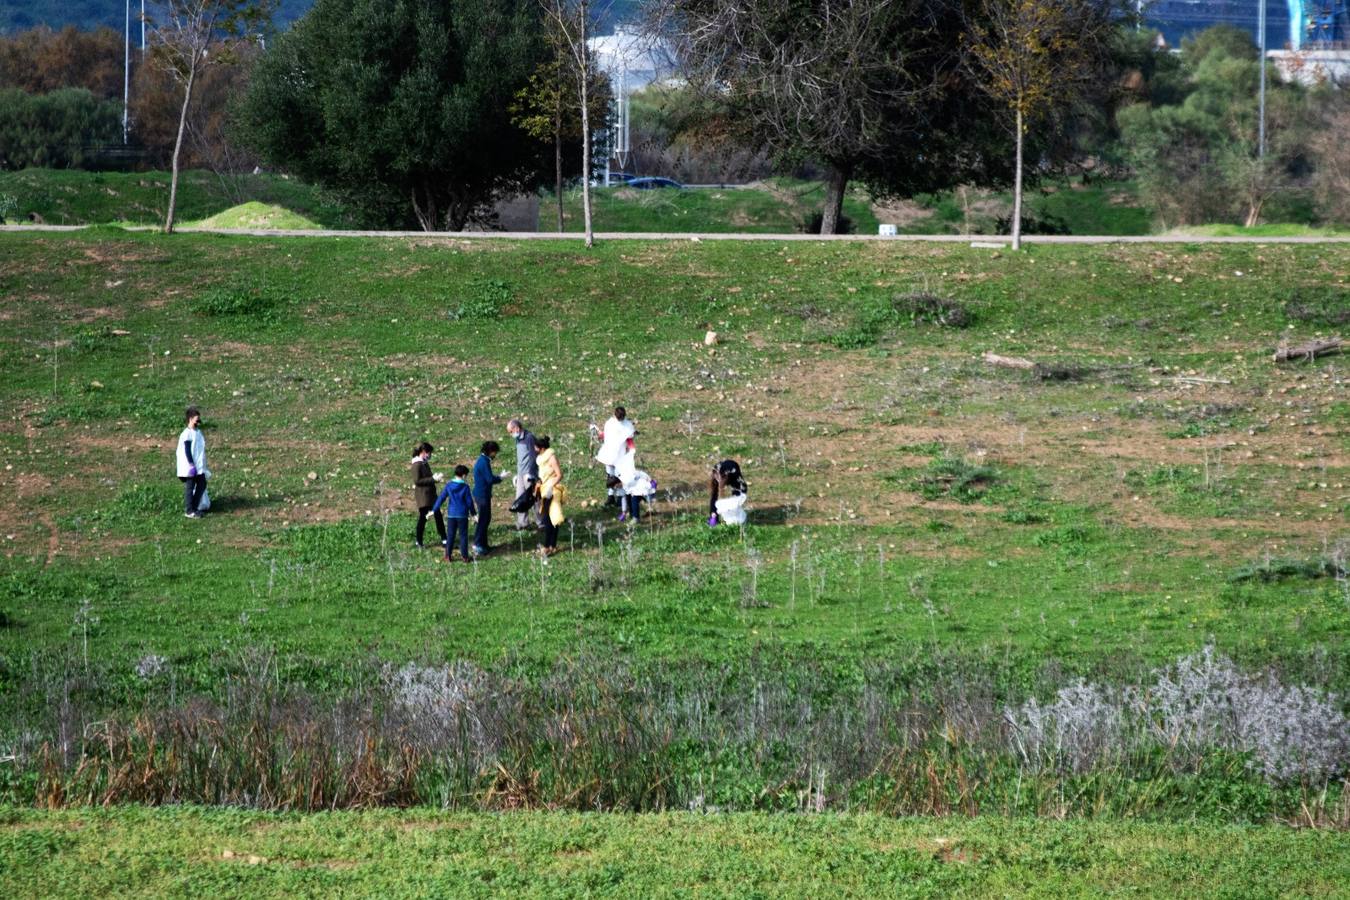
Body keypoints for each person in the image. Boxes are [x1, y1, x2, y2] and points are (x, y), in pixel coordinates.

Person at [431, 464, 477, 563]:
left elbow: (441, 498)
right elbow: (469, 502)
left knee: (450, 535)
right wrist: (474, 514)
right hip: (462, 515)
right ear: (464, 475)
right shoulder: (465, 487)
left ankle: (448, 556)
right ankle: (465, 556)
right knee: (463, 536)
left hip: (451, 514)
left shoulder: (449, 485)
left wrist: (434, 509)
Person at [593, 406, 636, 510]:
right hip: (617, 455)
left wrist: (599, 434)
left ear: (614, 414)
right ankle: (616, 498)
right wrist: (632, 451)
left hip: (612, 455)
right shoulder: (627, 425)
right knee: (617, 476)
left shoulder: (610, 423)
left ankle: (614, 497)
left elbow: (605, 435)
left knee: (612, 476)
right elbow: (629, 439)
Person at [471, 440, 505, 556]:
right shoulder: (484, 462)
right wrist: (500, 477)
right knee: (483, 520)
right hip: (482, 495)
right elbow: (489, 479)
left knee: (486, 519)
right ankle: (477, 544)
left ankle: (484, 544)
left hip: (481, 494)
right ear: (490, 451)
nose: (495, 455)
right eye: (494, 452)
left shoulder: (482, 460)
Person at [410, 442, 446, 549]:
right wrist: (433, 479)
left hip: (430, 495)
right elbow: (417, 480)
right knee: (423, 518)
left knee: (438, 515)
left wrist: (435, 479)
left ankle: (444, 538)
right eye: (429, 453)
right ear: (424, 452)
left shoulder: (424, 463)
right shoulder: (417, 464)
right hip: (423, 496)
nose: (430, 455)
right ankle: (419, 541)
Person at [175, 406, 209, 518]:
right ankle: (189, 511)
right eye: (196, 419)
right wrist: (191, 464)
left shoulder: (198, 433)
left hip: (199, 466)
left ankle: (194, 508)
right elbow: (187, 450)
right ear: (190, 419)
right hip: (190, 465)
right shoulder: (187, 434)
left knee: (202, 483)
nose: (198, 421)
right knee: (190, 486)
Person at [534, 435, 564, 557]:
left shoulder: (551, 458)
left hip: (552, 491)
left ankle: (548, 546)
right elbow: (543, 475)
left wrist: (551, 486)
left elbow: (559, 474)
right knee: (549, 519)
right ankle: (552, 545)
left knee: (550, 519)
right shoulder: (541, 458)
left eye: (535, 447)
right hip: (544, 489)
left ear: (541, 448)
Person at [506, 418, 539, 529]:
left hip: (529, 474)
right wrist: (517, 474)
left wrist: (531, 473)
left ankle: (541, 522)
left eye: (511, 431)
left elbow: (533, 455)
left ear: (516, 428)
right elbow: (521, 458)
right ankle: (523, 523)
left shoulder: (529, 437)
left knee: (534, 499)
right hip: (521, 474)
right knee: (520, 498)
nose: (510, 434)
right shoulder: (518, 439)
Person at [708, 459, 748, 526]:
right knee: (714, 494)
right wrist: (713, 514)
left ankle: (738, 517)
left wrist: (733, 505)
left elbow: (743, 491)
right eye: (717, 479)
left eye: (722, 480)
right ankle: (714, 518)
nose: (719, 481)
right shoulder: (715, 475)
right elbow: (714, 496)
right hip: (721, 472)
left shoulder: (735, 476)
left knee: (735, 499)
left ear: (726, 477)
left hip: (732, 469)